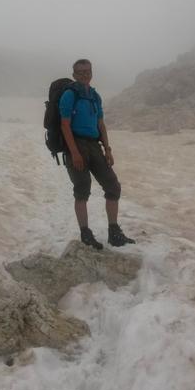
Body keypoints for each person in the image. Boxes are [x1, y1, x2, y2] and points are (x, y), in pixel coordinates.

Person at [59, 58, 135, 250]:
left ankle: (114, 233)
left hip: (94, 146)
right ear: (74, 74)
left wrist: (107, 149)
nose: (85, 74)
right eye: (80, 72)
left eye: (87, 71)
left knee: (113, 186)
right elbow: (65, 125)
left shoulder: (95, 96)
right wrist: (74, 153)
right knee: (82, 189)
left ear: (91, 73)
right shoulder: (69, 95)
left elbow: (101, 124)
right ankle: (85, 234)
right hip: (76, 145)